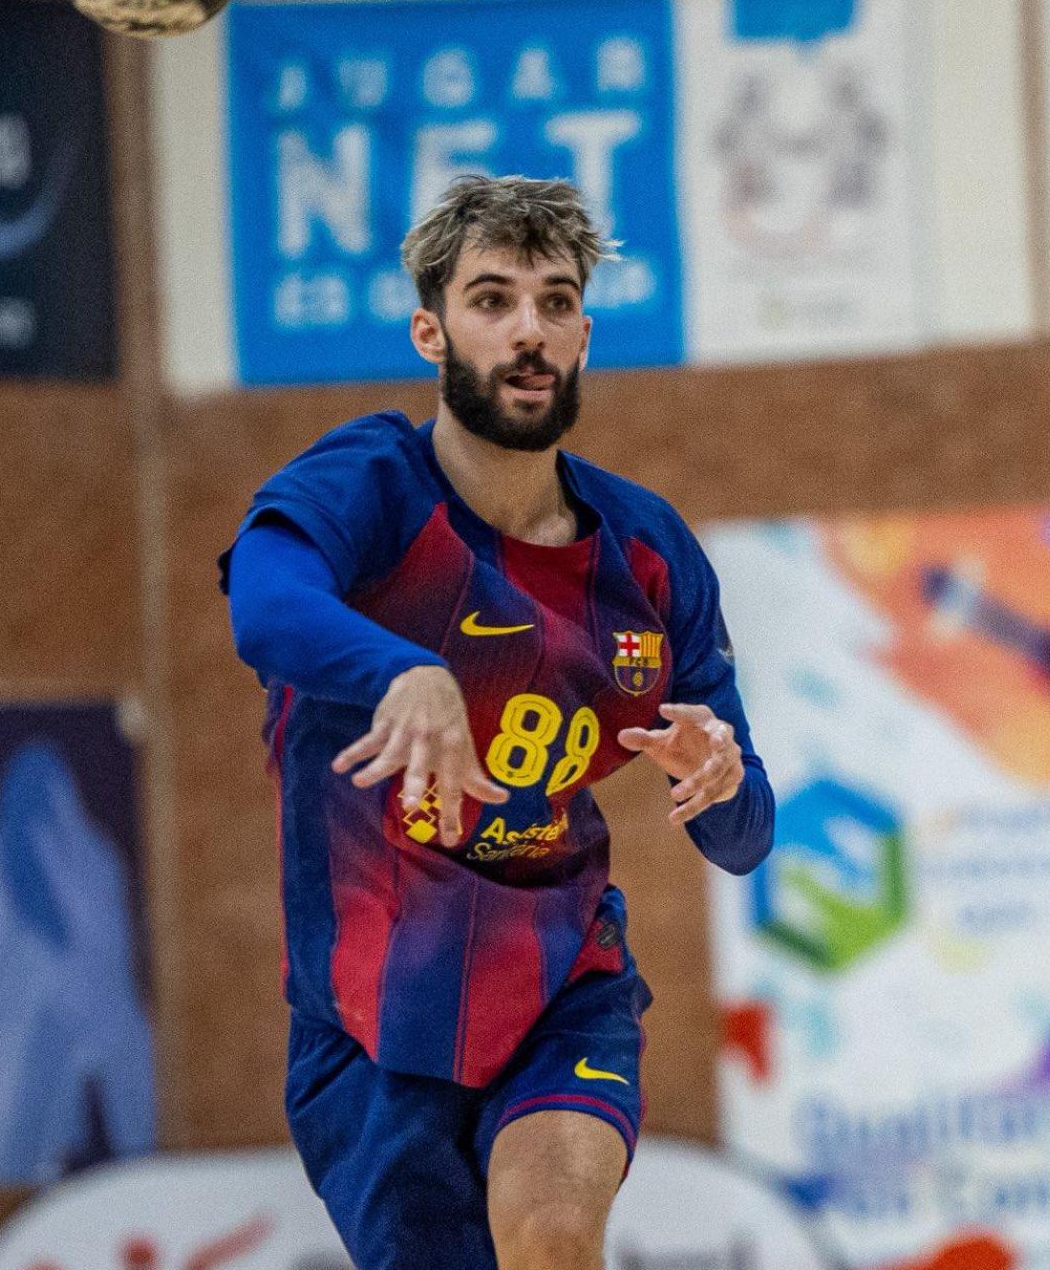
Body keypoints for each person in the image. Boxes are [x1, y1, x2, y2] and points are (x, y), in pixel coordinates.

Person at [221, 175, 774, 1270]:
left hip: (563, 982)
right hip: (372, 1018)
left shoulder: (644, 549)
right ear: (430, 328)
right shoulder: (369, 485)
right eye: (491, 299)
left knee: (555, 1236)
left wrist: (721, 779)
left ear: (582, 331)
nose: (527, 330)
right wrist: (398, 668)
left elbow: (745, 834)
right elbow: (263, 602)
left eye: (555, 300)